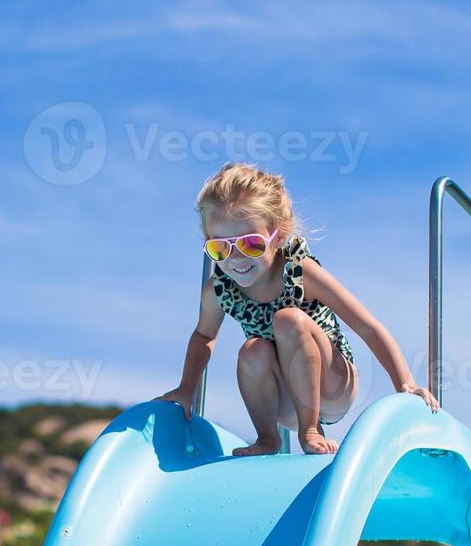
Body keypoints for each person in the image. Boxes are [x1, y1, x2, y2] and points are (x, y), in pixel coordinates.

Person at [159, 163, 438, 455]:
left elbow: (367, 326)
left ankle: (311, 430)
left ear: (277, 237)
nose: (236, 259)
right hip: (286, 402)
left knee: (289, 319)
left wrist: (405, 383)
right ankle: (267, 438)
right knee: (252, 350)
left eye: (250, 244)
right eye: (220, 249)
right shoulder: (220, 289)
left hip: (333, 387)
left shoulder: (298, 271)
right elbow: (204, 337)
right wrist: (186, 388)